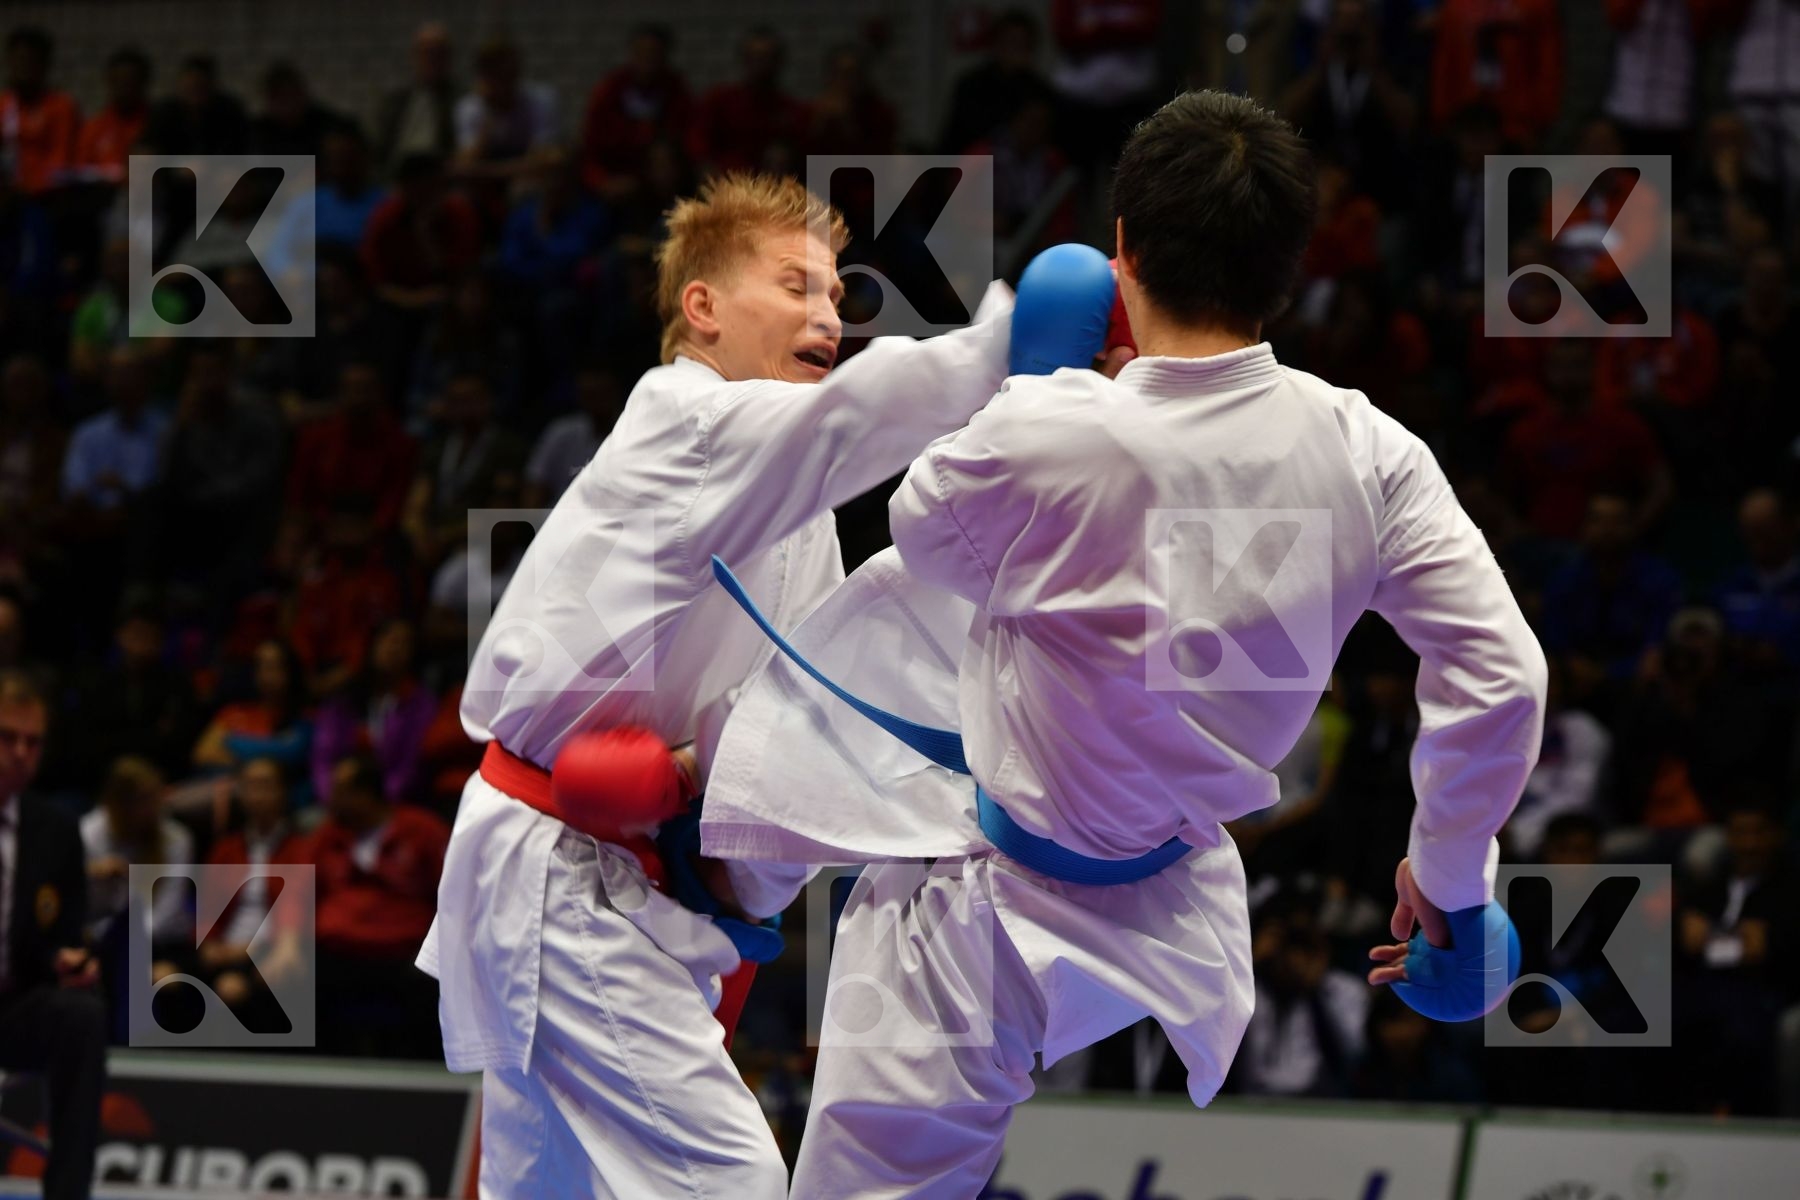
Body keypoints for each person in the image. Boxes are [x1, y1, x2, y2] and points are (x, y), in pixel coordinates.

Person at [701, 91, 1546, 1196]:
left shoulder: (1054, 430)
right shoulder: (1372, 451)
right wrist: (1450, 878)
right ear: (1286, 269)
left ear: (1123, 252)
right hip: (1170, 899)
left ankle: (698, 861)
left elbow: (929, 545)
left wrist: (1038, 385)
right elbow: (1504, 675)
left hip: (978, 917)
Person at [419, 171, 1031, 1198]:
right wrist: (1013, 351)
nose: (828, 315)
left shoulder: (802, 516)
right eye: (796, 286)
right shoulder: (683, 419)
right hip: (561, 869)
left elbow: (811, 725)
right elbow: (855, 421)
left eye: (837, 297)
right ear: (701, 310)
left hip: (642, 893)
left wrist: (698, 777)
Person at [0, 669, 105, 1200]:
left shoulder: (56, 830)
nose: (21, 752)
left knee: (80, 1016)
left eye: (33, 741)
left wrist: (68, 961)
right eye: (7, 737)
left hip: (11, 1004)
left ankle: (67, 1192)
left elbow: (63, 936)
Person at [311, 753, 448, 1058]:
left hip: (404, 955)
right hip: (338, 952)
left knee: (437, 989)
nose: (328, 798)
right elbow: (302, 896)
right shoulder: (328, 836)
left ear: (364, 794)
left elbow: (450, 896)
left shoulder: (422, 831)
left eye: (338, 791)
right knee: (290, 981)